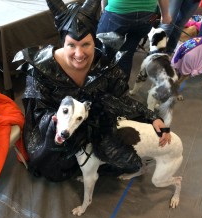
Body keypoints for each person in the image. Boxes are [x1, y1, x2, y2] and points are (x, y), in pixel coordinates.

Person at [14, 0, 171, 182]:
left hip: (96, 126)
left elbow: (119, 99)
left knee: (125, 160)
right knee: (55, 170)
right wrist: (56, 121)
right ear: (62, 42)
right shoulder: (41, 68)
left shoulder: (104, 62)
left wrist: (152, 117)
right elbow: (36, 115)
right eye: (71, 45)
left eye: (86, 45)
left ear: (94, 41)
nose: (79, 54)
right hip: (58, 132)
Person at [96, 0, 172, 78]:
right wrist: (165, 15)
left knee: (103, 51)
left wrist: (104, 9)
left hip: (119, 10)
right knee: (126, 54)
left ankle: (97, 83)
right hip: (146, 14)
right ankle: (119, 86)